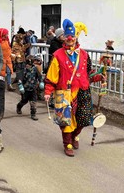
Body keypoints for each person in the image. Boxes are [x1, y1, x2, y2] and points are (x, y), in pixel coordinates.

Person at [44, 19, 102, 157]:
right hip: (64, 91)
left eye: (73, 37)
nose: (70, 39)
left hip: (82, 90)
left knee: (83, 118)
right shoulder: (58, 55)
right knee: (65, 121)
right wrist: (47, 91)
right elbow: (51, 76)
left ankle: (75, 135)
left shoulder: (84, 54)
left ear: (76, 38)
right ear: (64, 38)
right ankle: (67, 143)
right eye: (67, 37)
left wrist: (99, 76)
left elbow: (88, 73)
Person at [16, 55, 43, 121]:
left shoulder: (35, 69)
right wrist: (20, 86)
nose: (29, 65)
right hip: (25, 89)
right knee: (24, 101)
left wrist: (41, 82)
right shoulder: (23, 69)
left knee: (33, 102)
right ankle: (19, 106)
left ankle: (33, 114)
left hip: (33, 88)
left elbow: (39, 76)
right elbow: (20, 78)